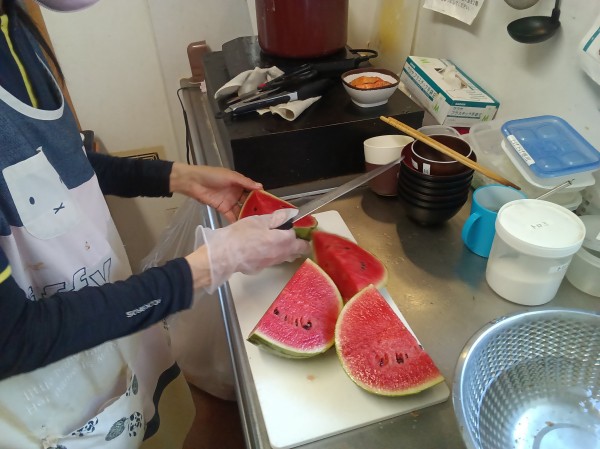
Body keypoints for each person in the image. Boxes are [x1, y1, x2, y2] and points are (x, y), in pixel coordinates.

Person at [0, 0, 309, 447]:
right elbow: (13, 337)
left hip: (109, 338)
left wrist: (176, 177)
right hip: (49, 402)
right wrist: (210, 264)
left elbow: (55, 168)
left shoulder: (14, 27)